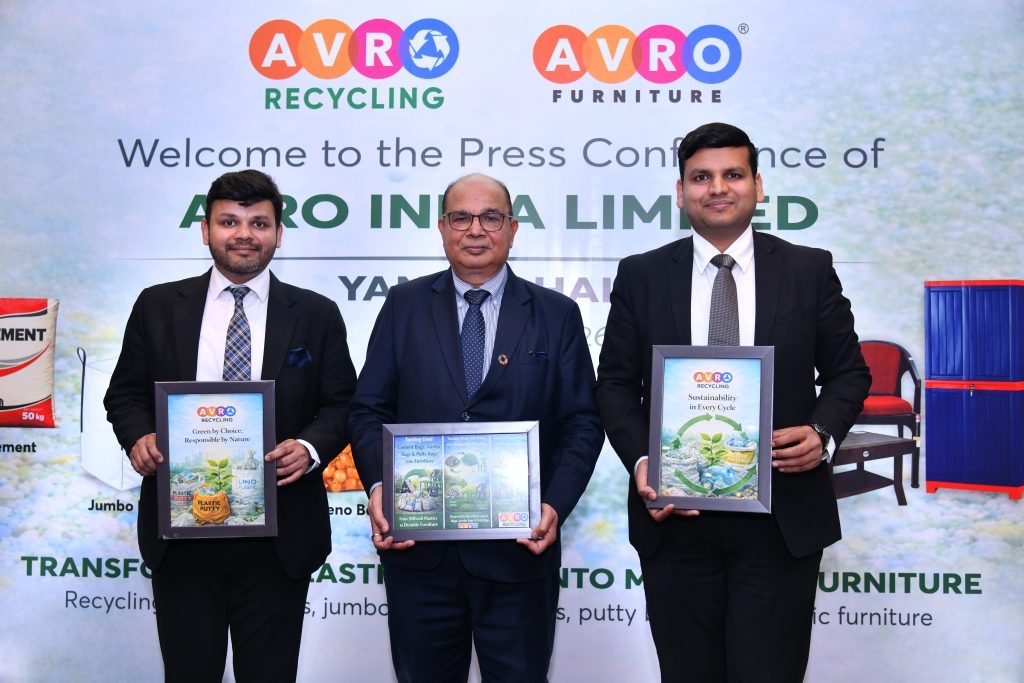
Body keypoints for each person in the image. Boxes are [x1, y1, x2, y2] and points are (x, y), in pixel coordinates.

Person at [595, 123, 870, 682]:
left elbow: (849, 373)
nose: (717, 187)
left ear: (757, 185)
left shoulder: (808, 268)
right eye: (701, 177)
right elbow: (615, 385)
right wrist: (646, 461)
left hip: (781, 517)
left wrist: (822, 434)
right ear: (681, 192)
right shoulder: (642, 274)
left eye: (732, 174)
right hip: (675, 518)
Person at [348, 172, 604, 683]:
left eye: (491, 217)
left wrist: (552, 504)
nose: (475, 229)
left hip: (519, 556)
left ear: (512, 229)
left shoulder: (556, 314)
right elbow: (367, 410)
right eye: (460, 217)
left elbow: (582, 421)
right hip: (420, 556)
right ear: (442, 228)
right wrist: (380, 488)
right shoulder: (403, 306)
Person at [104, 169, 357, 682]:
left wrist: (309, 448)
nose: (244, 233)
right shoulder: (156, 304)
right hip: (182, 531)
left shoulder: (316, 313)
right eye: (229, 221)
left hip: (279, 535)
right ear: (205, 230)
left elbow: (343, 404)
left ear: (278, 234)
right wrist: (139, 437)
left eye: (259, 222)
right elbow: (124, 395)